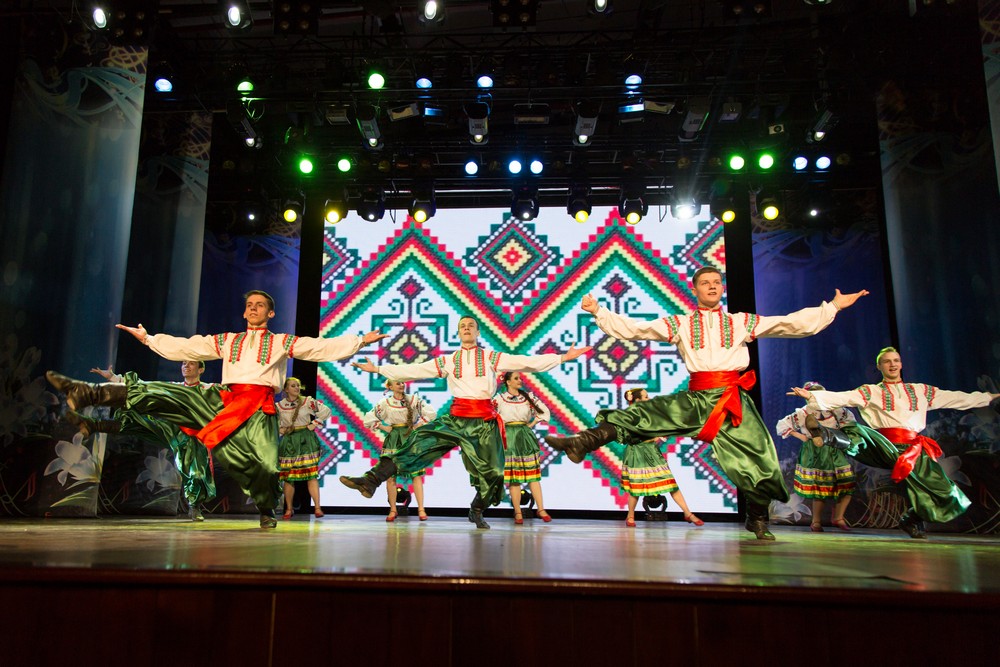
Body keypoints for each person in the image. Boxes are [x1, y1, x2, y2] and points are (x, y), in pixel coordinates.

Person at [544, 266, 869, 540]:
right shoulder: (681, 323)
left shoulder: (741, 321)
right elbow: (636, 329)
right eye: (705, 283)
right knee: (642, 414)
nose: (712, 286)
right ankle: (582, 442)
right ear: (695, 289)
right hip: (698, 398)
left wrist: (833, 307)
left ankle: (757, 517)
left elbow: (789, 323)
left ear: (721, 288)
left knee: (763, 463)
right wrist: (599, 311)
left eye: (716, 282)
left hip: (731, 402)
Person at [47, 290, 387, 529]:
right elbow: (188, 346)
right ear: (244, 312)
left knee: (267, 467)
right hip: (224, 400)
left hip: (258, 409)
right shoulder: (228, 340)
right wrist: (150, 339)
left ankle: (266, 508)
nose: (253, 309)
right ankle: (89, 392)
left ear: (270, 313)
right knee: (169, 394)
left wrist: (358, 341)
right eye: (249, 305)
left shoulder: (281, 341)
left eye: (260, 306)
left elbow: (317, 347)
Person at [341, 314, 590, 529]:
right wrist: (379, 370)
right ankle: (370, 480)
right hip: (456, 419)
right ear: (458, 333)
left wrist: (562, 358)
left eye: (471, 325)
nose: (467, 328)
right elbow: (415, 369)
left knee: (494, 474)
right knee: (416, 443)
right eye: (462, 326)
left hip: (483, 423)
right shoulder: (448, 360)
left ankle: (477, 508)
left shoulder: (491, 357)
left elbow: (526, 362)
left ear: (478, 332)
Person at [789, 347, 999, 538]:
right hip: (883, 444)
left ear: (901, 364)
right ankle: (826, 435)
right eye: (887, 361)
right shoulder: (871, 392)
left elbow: (955, 398)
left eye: (896, 360)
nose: (892, 364)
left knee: (948, 493)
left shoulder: (920, 391)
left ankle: (911, 519)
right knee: (857, 432)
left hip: (914, 448)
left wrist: (989, 397)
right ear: (879, 366)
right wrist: (812, 396)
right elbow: (844, 397)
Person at [68, 361, 217, 522]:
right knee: (136, 417)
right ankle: (98, 424)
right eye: (184, 363)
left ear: (201, 369)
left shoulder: (208, 389)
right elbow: (143, 387)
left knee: (196, 473)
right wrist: (113, 377)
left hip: (194, 436)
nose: (186, 366)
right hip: (171, 430)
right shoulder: (173, 387)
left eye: (191, 364)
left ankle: (194, 506)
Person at [774, 381, 856, 532]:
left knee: (846, 483)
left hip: (834, 449)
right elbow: (782, 425)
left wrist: (842, 435)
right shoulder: (803, 413)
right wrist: (802, 436)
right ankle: (816, 521)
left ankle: (838, 517)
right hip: (815, 451)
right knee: (820, 487)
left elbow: (850, 422)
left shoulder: (836, 411)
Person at [621, 388, 704, 528]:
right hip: (637, 452)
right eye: (645, 397)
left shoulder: (650, 414)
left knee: (670, 483)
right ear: (637, 400)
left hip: (652, 452)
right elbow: (627, 436)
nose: (648, 399)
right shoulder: (628, 416)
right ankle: (630, 516)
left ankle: (687, 513)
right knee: (636, 487)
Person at [362, 379, 437, 521]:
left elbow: (431, 413)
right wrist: (384, 427)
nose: (402, 385)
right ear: (390, 386)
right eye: (398, 383)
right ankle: (393, 510)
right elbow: (369, 418)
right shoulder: (385, 403)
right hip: (394, 438)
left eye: (402, 383)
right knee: (391, 477)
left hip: (410, 437)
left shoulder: (413, 399)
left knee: (416, 475)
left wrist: (418, 425)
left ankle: (421, 509)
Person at [494, 372, 552, 524]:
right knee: (514, 477)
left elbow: (544, 411)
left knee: (533, 475)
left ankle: (541, 509)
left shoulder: (528, 398)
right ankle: (518, 512)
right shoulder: (499, 399)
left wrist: (531, 424)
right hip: (508, 437)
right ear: (508, 382)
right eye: (516, 378)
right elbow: (489, 416)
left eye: (520, 378)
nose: (520, 380)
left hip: (524, 436)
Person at [277, 377, 332, 519]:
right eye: (293, 386)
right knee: (289, 476)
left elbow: (325, 411)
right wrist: (281, 429)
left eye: (298, 385)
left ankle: (317, 508)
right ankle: (289, 509)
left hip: (306, 440)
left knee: (311, 474)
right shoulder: (279, 406)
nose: (296, 388)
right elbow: (274, 423)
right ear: (286, 389)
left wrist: (314, 423)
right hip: (290, 441)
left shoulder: (307, 402)